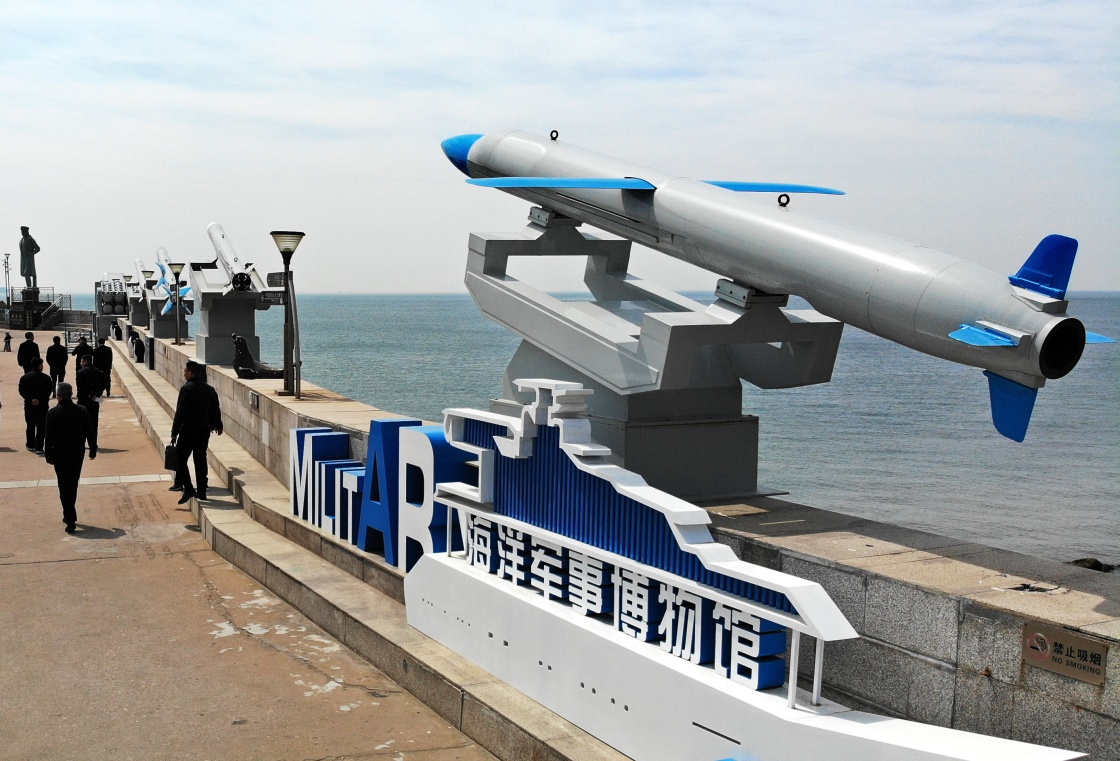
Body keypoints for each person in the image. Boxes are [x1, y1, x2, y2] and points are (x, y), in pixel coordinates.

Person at [44, 382, 97, 533]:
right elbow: (89, 431)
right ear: (71, 394)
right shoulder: (82, 411)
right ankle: (69, 514)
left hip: (59, 454)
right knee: (73, 484)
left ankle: (70, 516)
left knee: (63, 485)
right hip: (77, 453)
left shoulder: (52, 413)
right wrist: (92, 449)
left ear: (59, 396)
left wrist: (48, 455)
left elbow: (48, 437)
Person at [171, 361, 223, 503]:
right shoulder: (209, 389)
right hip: (204, 430)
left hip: (188, 430)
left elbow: (180, 413)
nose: (184, 373)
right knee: (200, 459)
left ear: (191, 373)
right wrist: (218, 425)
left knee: (180, 459)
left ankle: (188, 488)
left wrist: (174, 432)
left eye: (185, 371)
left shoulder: (186, 389)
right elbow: (215, 409)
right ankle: (202, 491)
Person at [18, 357, 52, 453]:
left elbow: (21, 391)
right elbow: (48, 391)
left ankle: (30, 444)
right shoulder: (46, 378)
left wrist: (30, 399)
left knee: (30, 425)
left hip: (29, 405)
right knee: (41, 426)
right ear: (40, 366)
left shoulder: (24, 378)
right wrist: (40, 400)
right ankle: (39, 447)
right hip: (42, 406)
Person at [75, 354, 107, 437]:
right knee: (93, 422)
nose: (80, 363)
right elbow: (103, 385)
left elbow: (81, 387)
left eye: (82, 361)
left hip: (83, 400)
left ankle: (82, 440)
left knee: (82, 423)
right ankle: (93, 441)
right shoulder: (99, 372)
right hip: (95, 400)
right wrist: (96, 394)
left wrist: (90, 394)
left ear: (85, 361)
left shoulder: (80, 373)